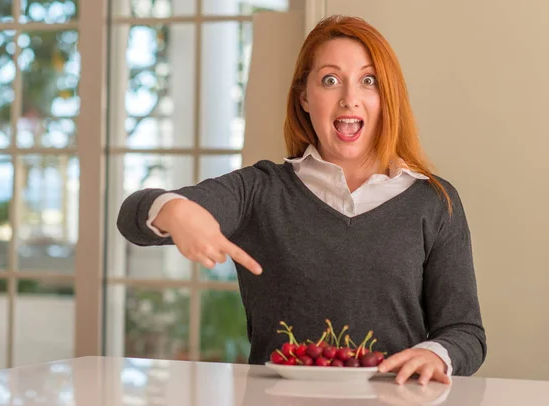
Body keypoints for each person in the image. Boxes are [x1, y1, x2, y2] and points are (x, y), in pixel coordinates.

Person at [117, 15, 486, 386]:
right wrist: (174, 209)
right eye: (330, 80)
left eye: (368, 81)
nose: (349, 98)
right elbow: (133, 215)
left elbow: (465, 332)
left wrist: (434, 354)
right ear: (304, 97)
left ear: (387, 97)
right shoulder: (259, 190)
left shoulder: (434, 202)